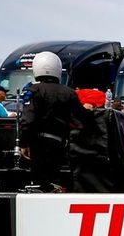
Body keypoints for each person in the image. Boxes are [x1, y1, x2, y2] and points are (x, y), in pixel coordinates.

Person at [20, 51, 90, 192]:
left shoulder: (33, 90)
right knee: (56, 180)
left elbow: (28, 120)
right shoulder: (69, 92)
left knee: (40, 183)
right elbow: (82, 119)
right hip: (59, 143)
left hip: (38, 144)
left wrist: (23, 143)